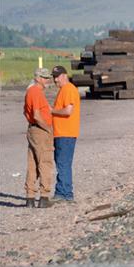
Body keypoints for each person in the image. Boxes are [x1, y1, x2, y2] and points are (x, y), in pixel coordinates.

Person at [23, 68, 54, 208]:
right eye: (46, 78)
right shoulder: (35, 91)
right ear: (38, 78)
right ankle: (44, 197)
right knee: (45, 162)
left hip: (33, 129)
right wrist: (47, 129)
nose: (48, 81)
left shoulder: (31, 91)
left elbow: (26, 112)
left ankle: (30, 198)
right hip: (40, 131)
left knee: (33, 163)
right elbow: (36, 114)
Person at [51, 66, 80, 202]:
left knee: (63, 163)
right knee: (63, 163)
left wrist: (51, 110)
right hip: (62, 133)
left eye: (57, 76)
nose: (55, 79)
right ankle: (64, 192)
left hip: (66, 133)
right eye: (53, 77)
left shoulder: (68, 89)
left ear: (64, 75)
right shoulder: (64, 89)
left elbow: (68, 111)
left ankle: (64, 193)